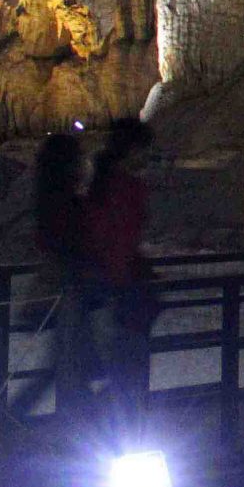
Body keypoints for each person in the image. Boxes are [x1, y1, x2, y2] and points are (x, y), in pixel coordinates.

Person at [8, 133, 92, 421]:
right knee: (67, 367)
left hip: (62, 290)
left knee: (63, 367)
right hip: (71, 292)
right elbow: (74, 243)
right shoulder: (66, 204)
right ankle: (15, 418)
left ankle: (13, 418)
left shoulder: (48, 198)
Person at [81, 117, 156, 421]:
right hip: (119, 290)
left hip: (104, 289)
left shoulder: (101, 184)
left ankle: (107, 428)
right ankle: (124, 430)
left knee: (114, 368)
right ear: (133, 149)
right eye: (143, 150)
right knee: (129, 369)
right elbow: (118, 239)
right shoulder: (125, 188)